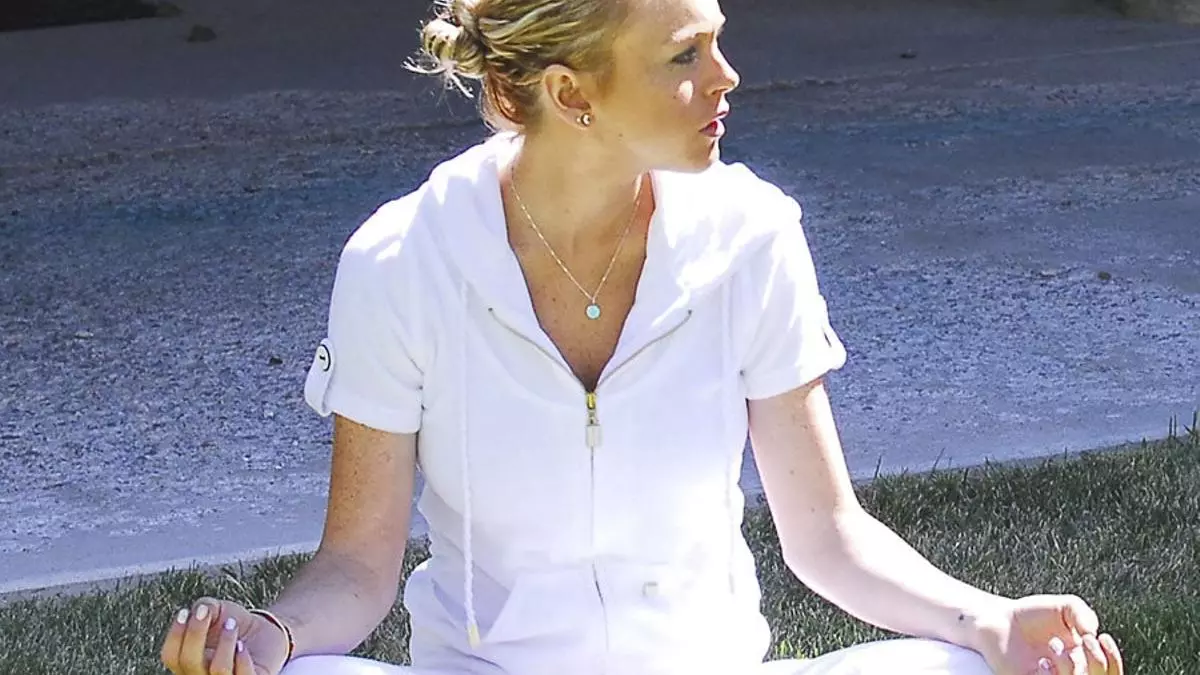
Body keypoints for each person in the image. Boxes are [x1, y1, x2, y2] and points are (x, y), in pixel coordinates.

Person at [159, 0, 1126, 673]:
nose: (726, 77)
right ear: (571, 93)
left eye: (717, 43)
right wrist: (273, 636)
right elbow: (357, 565)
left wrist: (993, 622)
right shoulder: (400, 260)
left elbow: (828, 536)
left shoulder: (752, 235)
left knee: (974, 668)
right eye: (684, 56)